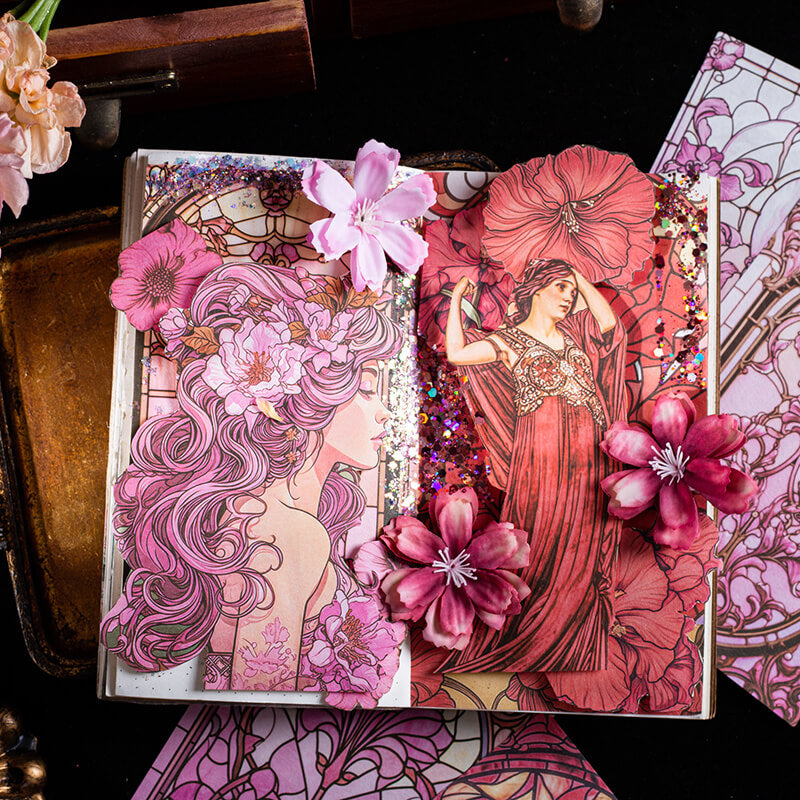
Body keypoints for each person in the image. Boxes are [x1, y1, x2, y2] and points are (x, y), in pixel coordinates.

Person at [101, 262, 402, 692]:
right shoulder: (289, 533)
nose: (385, 411)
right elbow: (256, 683)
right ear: (310, 397)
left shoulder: (266, 513)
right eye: (368, 388)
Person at [441, 258, 627, 673]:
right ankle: (528, 635)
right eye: (560, 287)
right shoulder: (508, 341)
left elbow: (609, 326)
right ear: (537, 290)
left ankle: (574, 643)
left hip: (589, 458)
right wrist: (456, 300)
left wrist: (578, 277)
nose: (569, 297)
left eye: (572, 291)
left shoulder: (573, 334)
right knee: (543, 536)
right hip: (543, 455)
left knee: (585, 538)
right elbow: (456, 353)